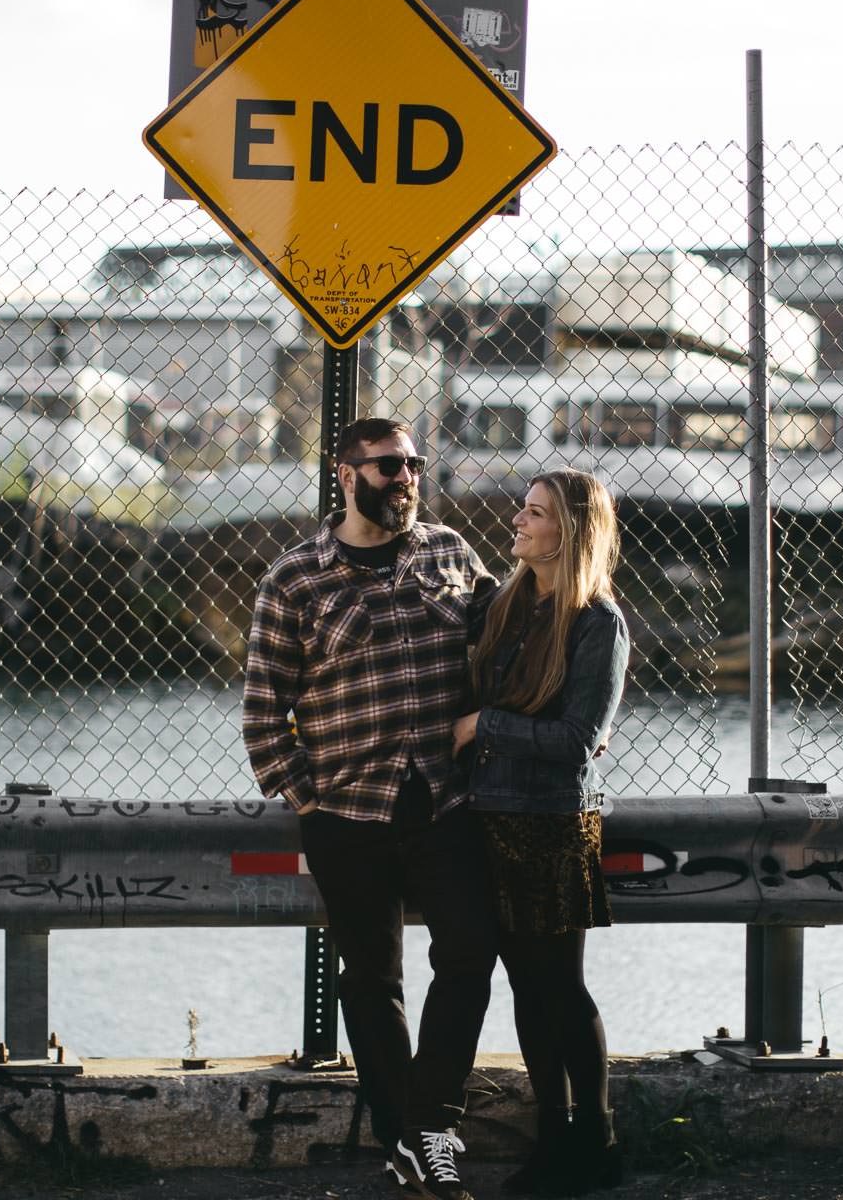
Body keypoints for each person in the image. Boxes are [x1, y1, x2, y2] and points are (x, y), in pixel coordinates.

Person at [242, 416, 499, 1200]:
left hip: (445, 802)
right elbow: (262, 710)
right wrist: (306, 795)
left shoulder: (451, 552)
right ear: (346, 475)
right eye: (389, 466)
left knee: (468, 955)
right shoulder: (295, 578)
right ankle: (410, 1141)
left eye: (415, 464)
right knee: (372, 977)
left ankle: (428, 1128)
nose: (407, 478)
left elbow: (509, 639)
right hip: (347, 811)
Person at [453, 468, 630, 1196]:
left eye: (534, 514)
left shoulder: (599, 623)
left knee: (560, 986)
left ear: (571, 531)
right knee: (526, 987)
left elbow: (578, 739)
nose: (518, 523)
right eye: (522, 510)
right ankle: (554, 1139)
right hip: (490, 818)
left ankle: (596, 1137)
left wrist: (483, 726)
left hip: (553, 823)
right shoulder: (502, 603)